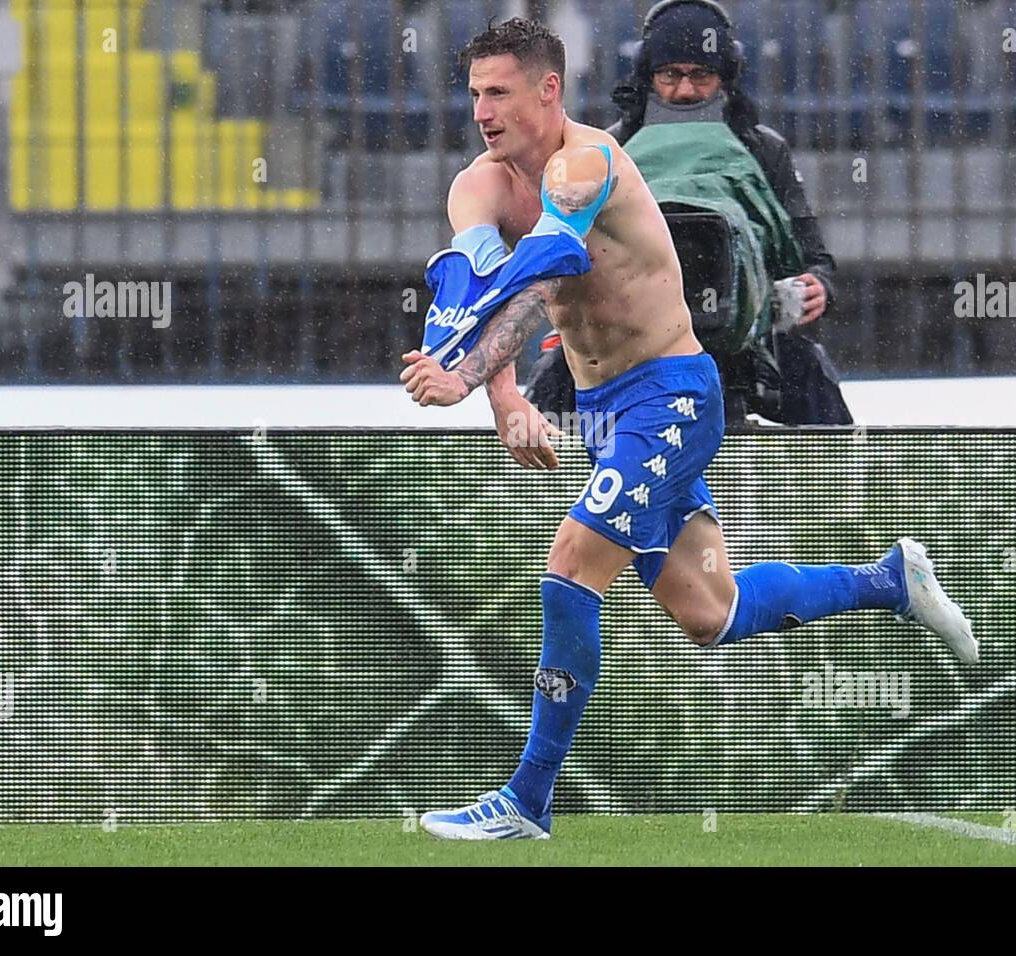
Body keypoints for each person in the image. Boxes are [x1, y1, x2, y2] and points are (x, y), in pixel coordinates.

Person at [398, 18, 977, 841]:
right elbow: (481, 282)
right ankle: (890, 582)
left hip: (671, 396)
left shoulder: (587, 163)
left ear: (547, 90)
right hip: (606, 414)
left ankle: (527, 799)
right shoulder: (478, 187)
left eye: (499, 91)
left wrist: (457, 363)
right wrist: (500, 398)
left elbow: (538, 270)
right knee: (712, 612)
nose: (483, 110)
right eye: (473, 94)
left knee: (569, 567)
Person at [525, 0, 852, 426]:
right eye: (670, 75)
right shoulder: (608, 150)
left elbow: (815, 259)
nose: (684, 90)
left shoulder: (762, 149)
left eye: (701, 75)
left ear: (725, 77)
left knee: (812, 377)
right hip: (622, 339)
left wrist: (817, 286)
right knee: (552, 381)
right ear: (648, 75)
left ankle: (842, 492)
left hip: (743, 339)